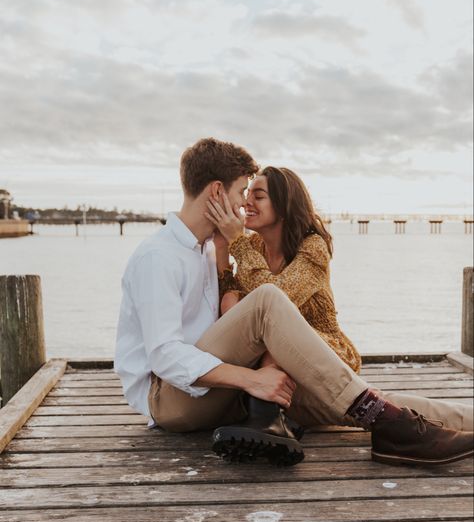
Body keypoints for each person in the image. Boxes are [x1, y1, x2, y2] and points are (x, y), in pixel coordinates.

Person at [115, 137, 473, 468]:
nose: (243, 204)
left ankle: (412, 425)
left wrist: (257, 376)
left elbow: (230, 321)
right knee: (267, 300)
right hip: (171, 400)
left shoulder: (209, 250)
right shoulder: (159, 256)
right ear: (215, 192)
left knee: (350, 402)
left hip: (224, 392)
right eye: (242, 191)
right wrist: (251, 380)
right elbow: (164, 354)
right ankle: (383, 419)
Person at [216, 166, 361, 374]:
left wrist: (236, 241)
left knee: (272, 353)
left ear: (284, 205)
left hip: (329, 351)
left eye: (258, 196)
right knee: (232, 301)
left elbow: (276, 300)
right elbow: (235, 301)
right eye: (247, 195)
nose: (247, 202)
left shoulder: (313, 247)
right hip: (275, 344)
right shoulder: (255, 245)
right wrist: (222, 246)